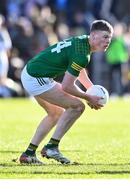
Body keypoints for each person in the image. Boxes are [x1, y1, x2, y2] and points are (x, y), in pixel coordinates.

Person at [19, 19, 113, 165]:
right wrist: (88, 97)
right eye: (105, 37)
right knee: (77, 106)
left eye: (110, 38)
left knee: (55, 113)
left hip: (32, 72)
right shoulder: (82, 55)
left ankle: (28, 154)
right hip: (36, 78)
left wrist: (90, 89)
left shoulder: (82, 41)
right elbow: (67, 86)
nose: (108, 41)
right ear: (93, 35)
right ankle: (52, 147)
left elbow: (78, 69)